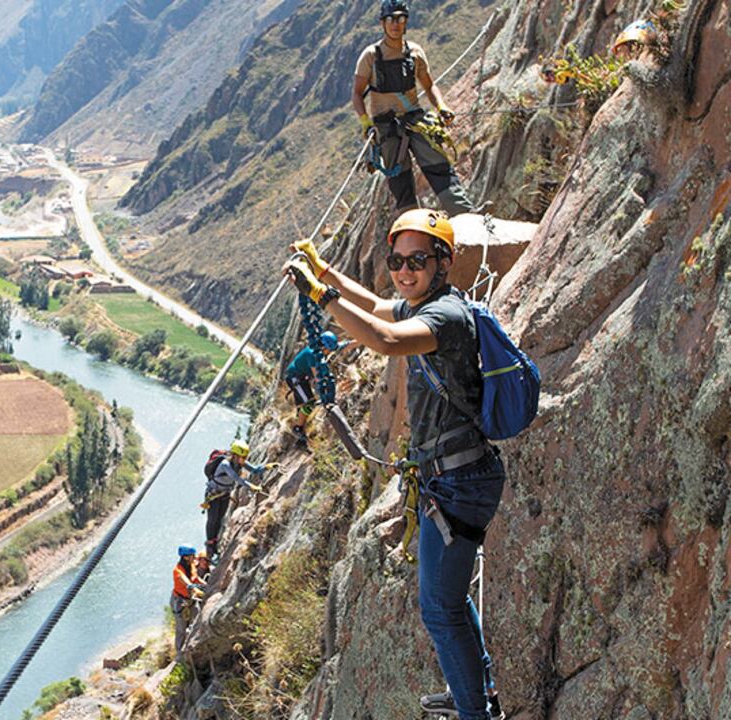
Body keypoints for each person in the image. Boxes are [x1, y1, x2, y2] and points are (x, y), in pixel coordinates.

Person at [284, 209, 505, 720]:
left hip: (458, 480)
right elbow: (379, 307)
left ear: (443, 262)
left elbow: (384, 339)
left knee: (439, 610)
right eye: (397, 261)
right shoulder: (423, 304)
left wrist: (320, 295)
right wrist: (325, 272)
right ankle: (477, 693)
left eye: (417, 261)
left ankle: (475, 712)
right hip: (452, 476)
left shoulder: (445, 318)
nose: (405, 271)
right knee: (449, 602)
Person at [353, 0, 475, 216]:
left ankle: (464, 213)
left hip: (415, 119)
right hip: (387, 126)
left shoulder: (415, 52)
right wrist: (365, 122)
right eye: (391, 19)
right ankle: (412, 224)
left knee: (439, 166)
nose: (395, 23)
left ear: (406, 22)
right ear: (382, 23)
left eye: (400, 18)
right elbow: (357, 93)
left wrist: (441, 106)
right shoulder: (370, 56)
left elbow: (429, 86)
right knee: (400, 181)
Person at [203, 441, 268, 561]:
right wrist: (252, 487)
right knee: (213, 520)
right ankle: (210, 546)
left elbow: (254, 469)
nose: (244, 459)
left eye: (245, 457)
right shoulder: (225, 465)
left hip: (225, 494)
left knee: (220, 519)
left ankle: (216, 543)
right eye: (243, 457)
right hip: (213, 495)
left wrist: (267, 467)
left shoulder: (239, 462)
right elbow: (237, 479)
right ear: (235, 456)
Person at [171, 545, 205, 652]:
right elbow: (186, 582)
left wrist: (207, 585)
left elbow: (195, 578)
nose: (194, 557)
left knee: (197, 620)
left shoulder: (191, 565)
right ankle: (179, 653)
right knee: (181, 628)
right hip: (180, 601)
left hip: (190, 599)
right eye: (192, 556)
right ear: (185, 557)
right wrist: (196, 590)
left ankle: (193, 647)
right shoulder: (177, 571)